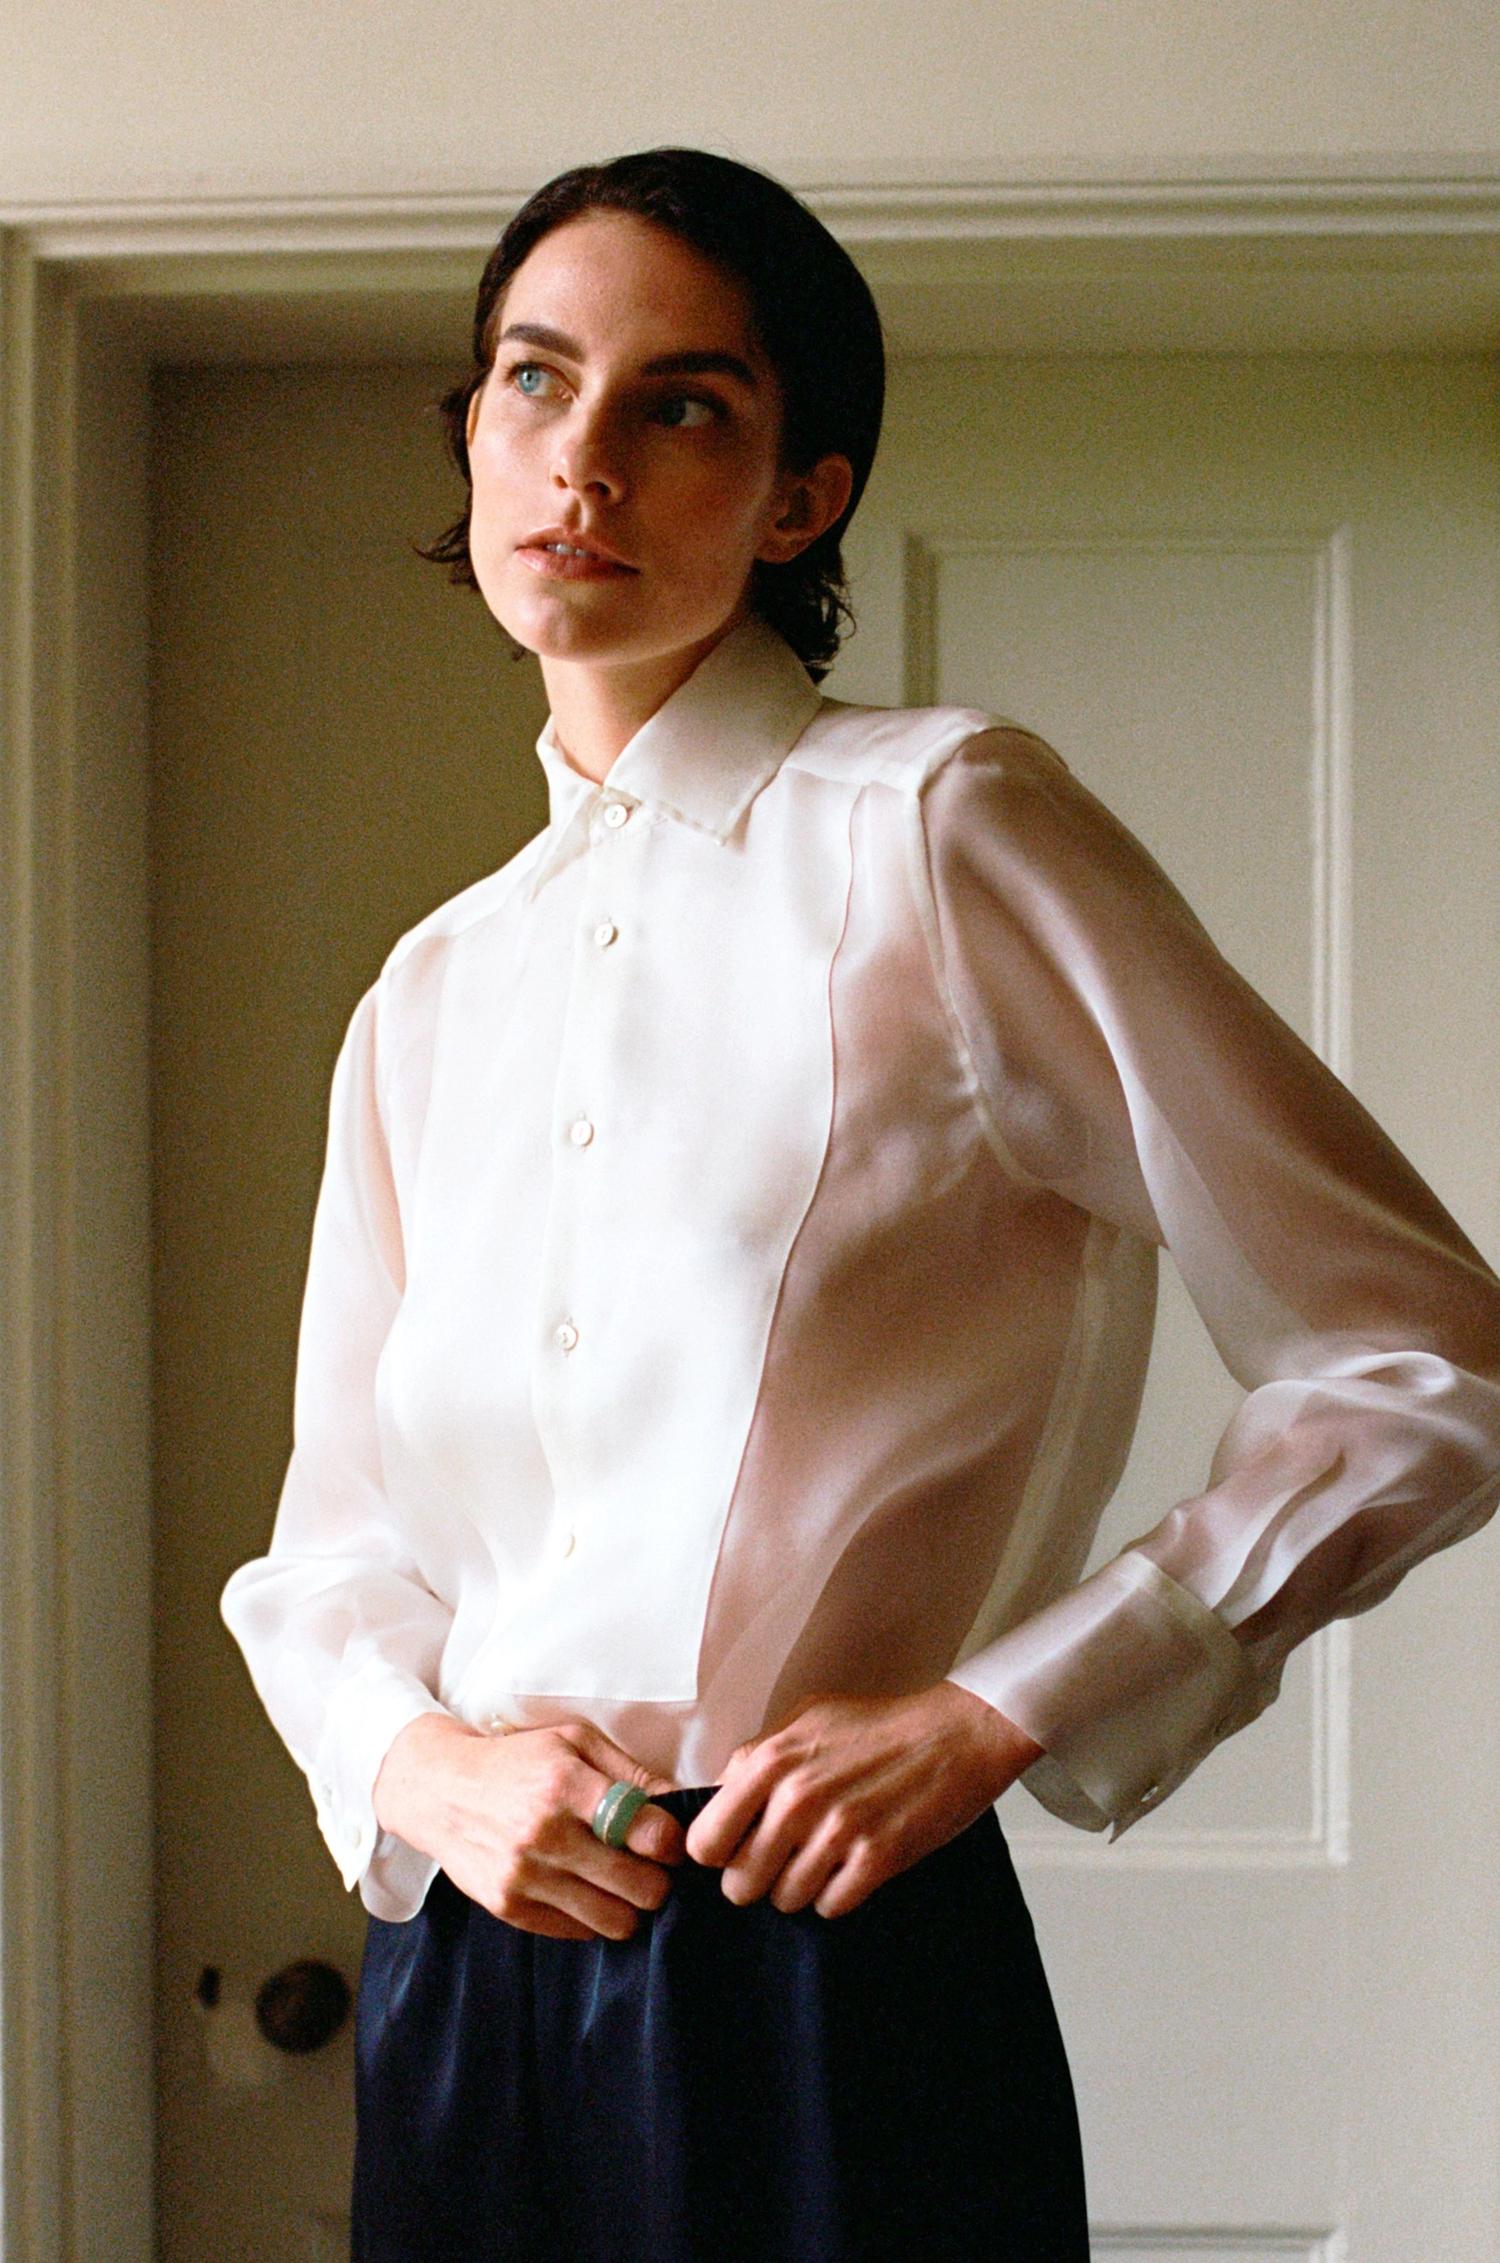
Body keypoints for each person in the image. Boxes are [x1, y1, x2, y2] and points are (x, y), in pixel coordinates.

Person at [220, 145, 1500, 2262]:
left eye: (683, 406)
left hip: (821, 1978)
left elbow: (1420, 1352)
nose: (587, 463)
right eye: (536, 384)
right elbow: (335, 1550)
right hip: (463, 1979)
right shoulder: (434, 991)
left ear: (802, 492)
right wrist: (419, 1770)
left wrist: (1007, 1705)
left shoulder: (939, 827)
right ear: (472, 431)